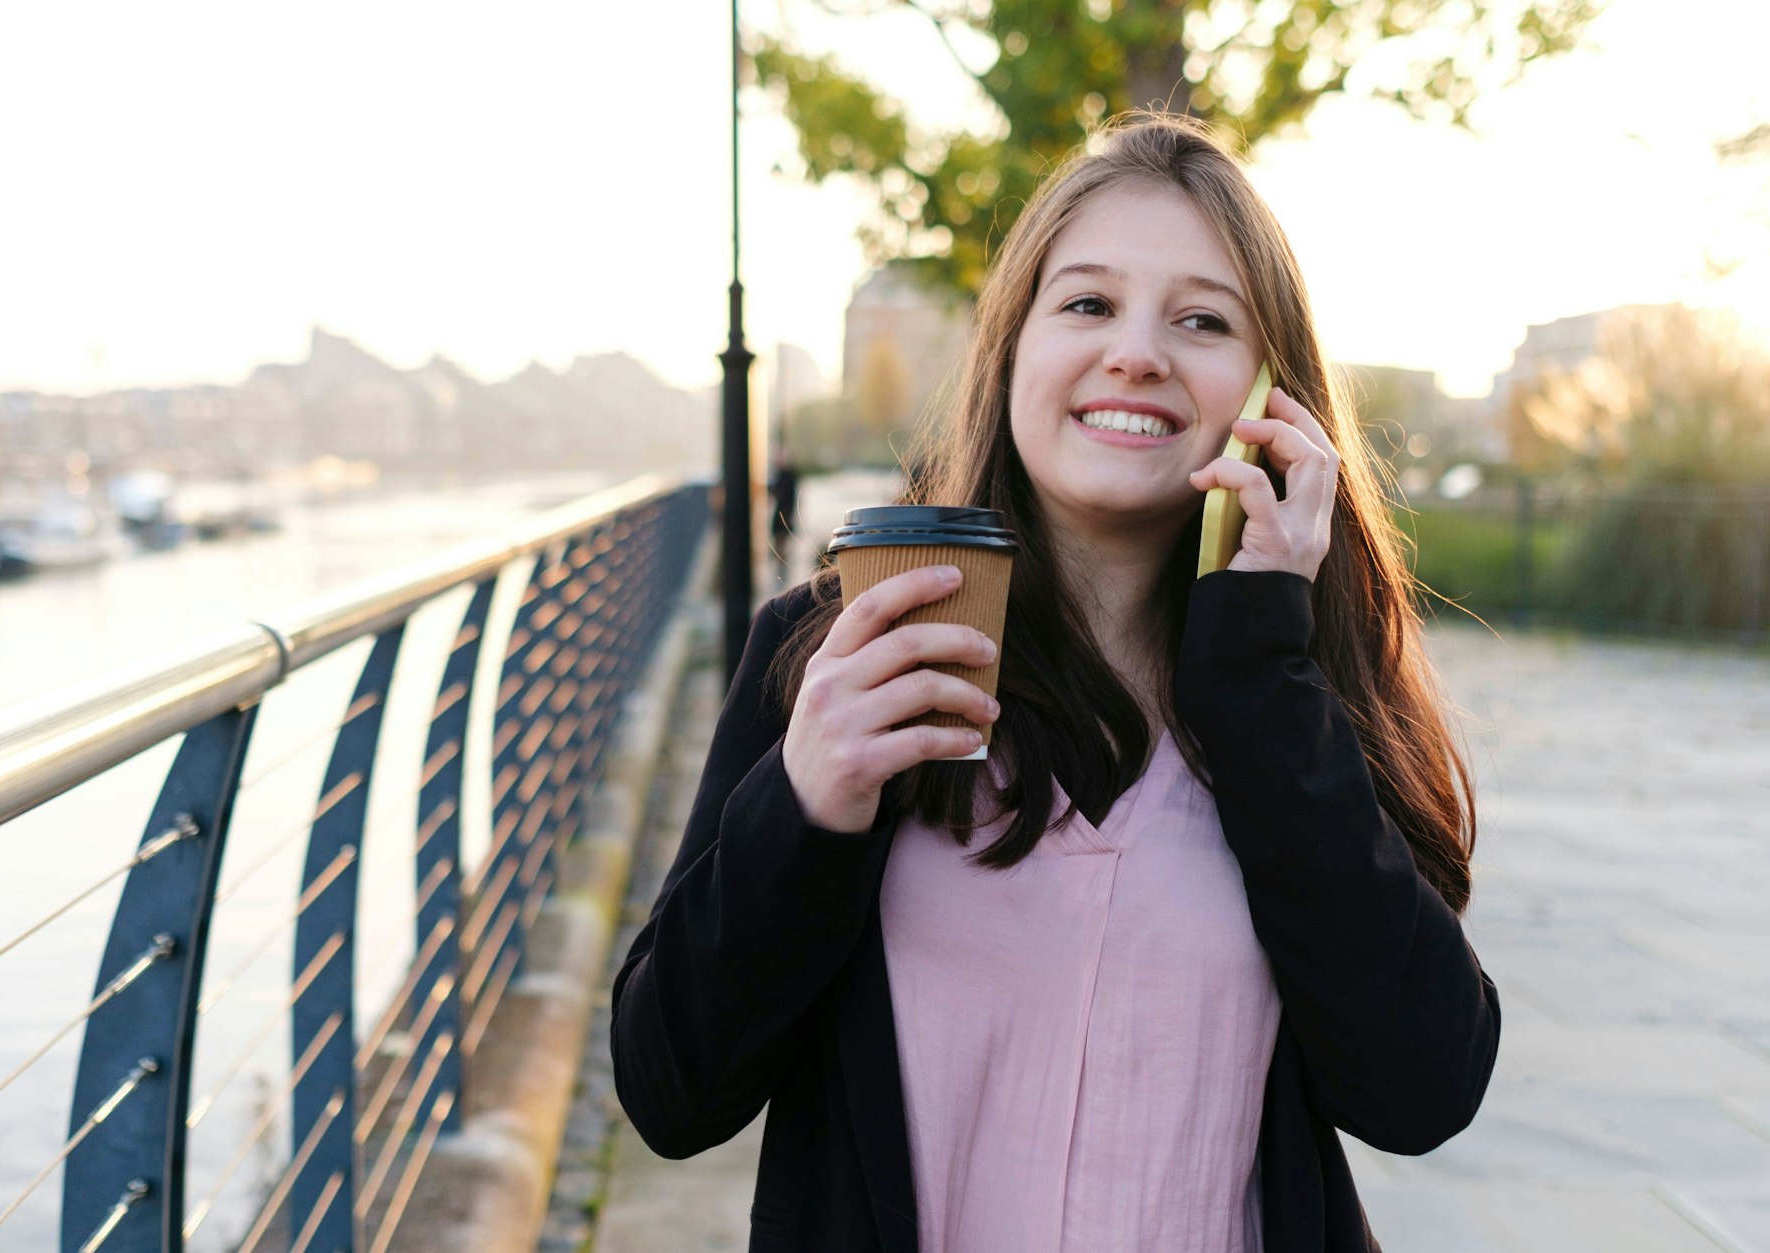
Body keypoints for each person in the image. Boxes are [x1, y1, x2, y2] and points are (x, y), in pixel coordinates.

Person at [611, 111, 1499, 1253]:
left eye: (1202, 319)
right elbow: (669, 1091)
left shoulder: (1305, 684)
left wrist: (1259, 672)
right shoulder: (836, 652)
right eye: (1085, 303)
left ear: (1272, 389)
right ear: (1013, 348)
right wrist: (806, 801)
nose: (1136, 351)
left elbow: (1420, 1090)